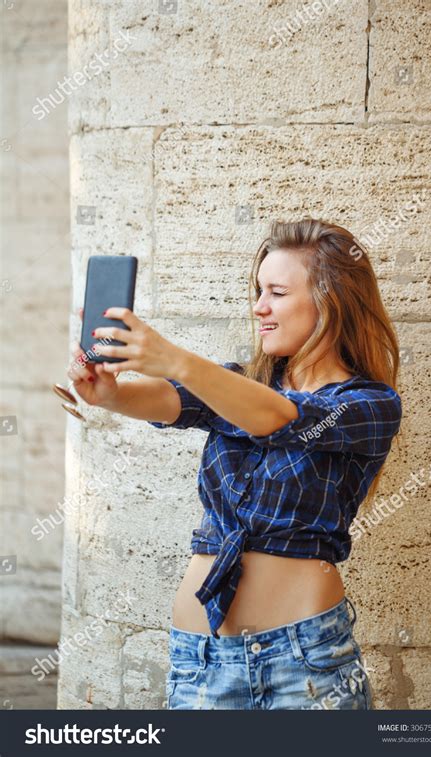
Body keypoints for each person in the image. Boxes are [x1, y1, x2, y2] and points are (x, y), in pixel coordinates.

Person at [67, 217, 402, 710]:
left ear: (331, 302)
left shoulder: (369, 405)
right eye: (258, 290)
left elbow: (279, 418)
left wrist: (175, 358)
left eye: (277, 292)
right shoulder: (238, 384)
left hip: (304, 664)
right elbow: (172, 400)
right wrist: (108, 394)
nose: (259, 307)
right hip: (200, 661)